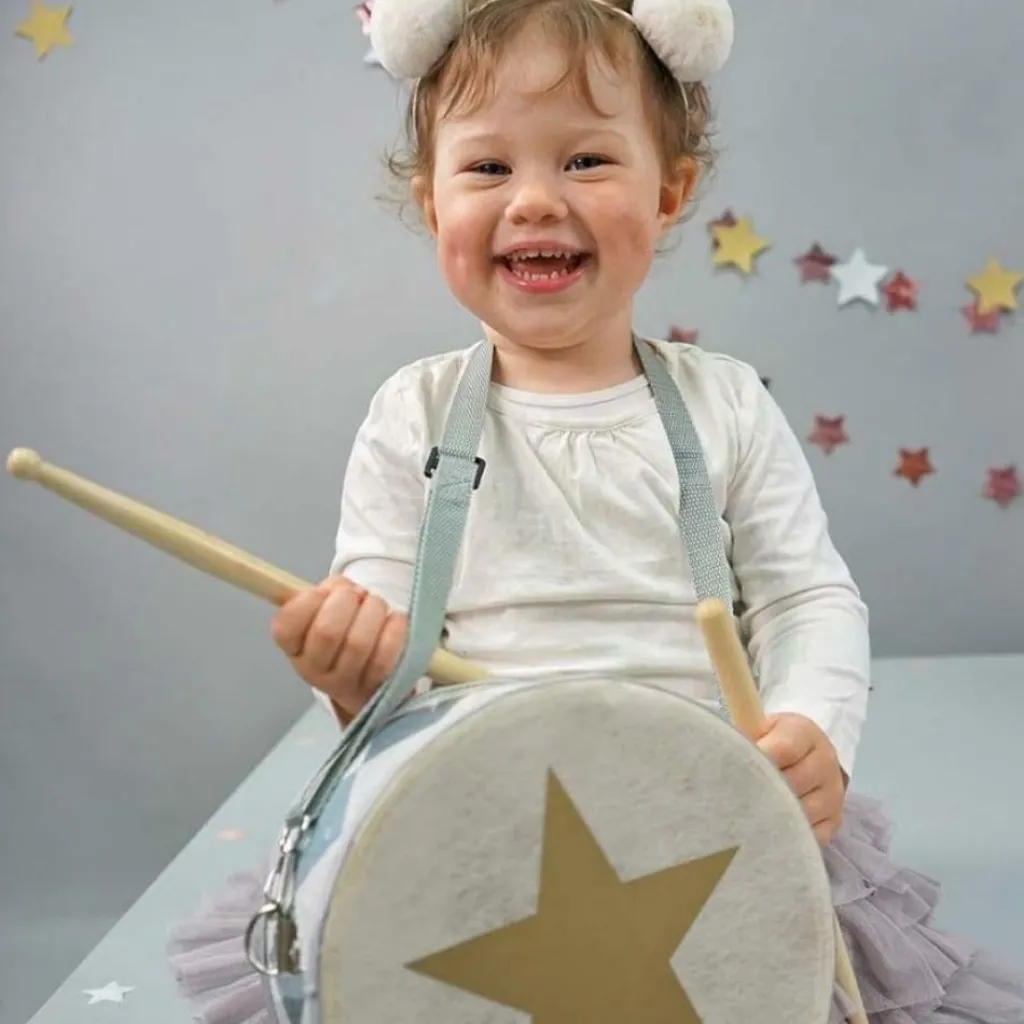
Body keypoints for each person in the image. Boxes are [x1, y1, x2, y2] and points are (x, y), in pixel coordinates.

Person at [168, 0, 1024, 1020]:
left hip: (706, 832)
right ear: (433, 204)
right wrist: (354, 672)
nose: (534, 200)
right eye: (489, 167)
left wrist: (813, 728)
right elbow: (384, 626)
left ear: (669, 193)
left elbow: (807, 599)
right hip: (476, 832)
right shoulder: (414, 414)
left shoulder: (725, 403)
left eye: (584, 160)